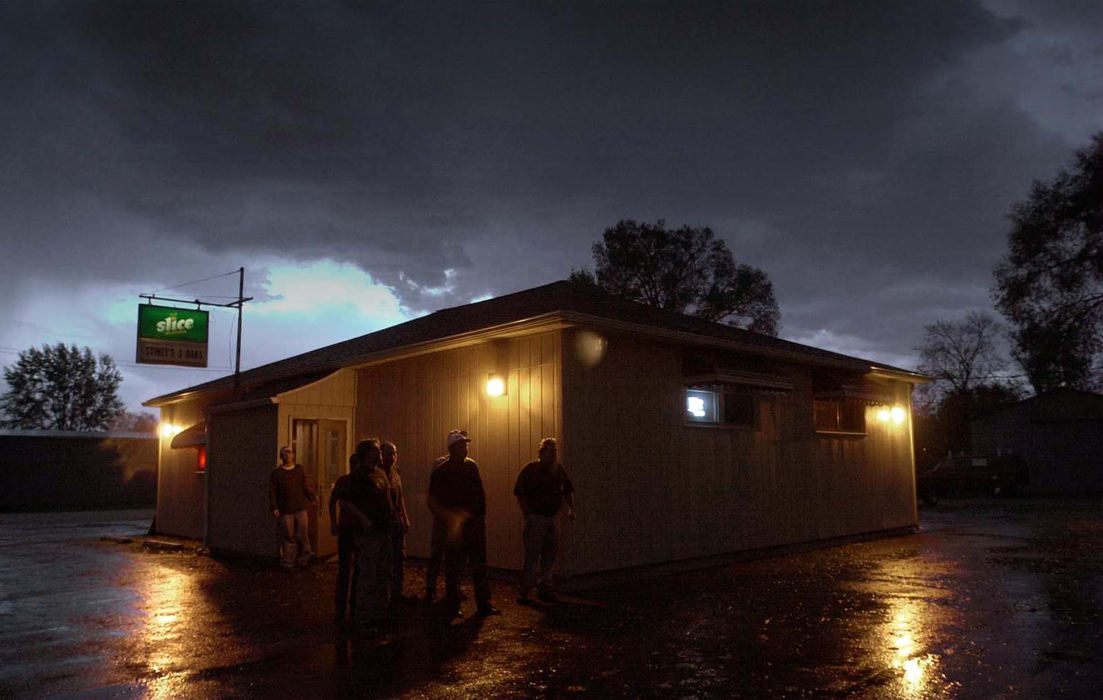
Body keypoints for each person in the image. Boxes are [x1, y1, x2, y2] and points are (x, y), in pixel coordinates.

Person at [427, 429, 500, 617]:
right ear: (452, 448)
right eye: (461, 446)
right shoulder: (441, 472)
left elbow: (479, 493)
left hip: (474, 525)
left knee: (479, 566)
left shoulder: (471, 466)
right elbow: (432, 500)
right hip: (455, 527)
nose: (465, 448)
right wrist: (448, 519)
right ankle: (453, 606)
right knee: (454, 567)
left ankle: (484, 604)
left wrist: (480, 518)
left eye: (465, 445)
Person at [339, 439, 396, 627]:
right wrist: (363, 519)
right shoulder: (357, 476)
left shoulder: (380, 473)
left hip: (384, 529)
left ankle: (379, 611)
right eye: (375, 451)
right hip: (368, 533)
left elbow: (387, 498)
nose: (379, 454)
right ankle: (363, 614)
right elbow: (345, 502)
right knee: (368, 574)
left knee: (382, 573)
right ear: (366, 454)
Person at [514, 437, 575, 605]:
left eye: (555, 452)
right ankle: (526, 589)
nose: (554, 455)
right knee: (532, 554)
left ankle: (545, 588)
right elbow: (519, 491)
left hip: (551, 517)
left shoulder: (558, 470)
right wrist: (527, 512)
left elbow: (567, 489)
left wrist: (571, 508)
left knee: (550, 555)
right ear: (541, 453)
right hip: (536, 517)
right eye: (550, 452)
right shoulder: (530, 469)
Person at [268, 446, 316, 572]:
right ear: (281, 456)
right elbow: (272, 491)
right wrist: (274, 507)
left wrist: (310, 496)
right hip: (286, 510)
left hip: (300, 508)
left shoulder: (299, 470)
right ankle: (288, 562)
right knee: (289, 537)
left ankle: (304, 559)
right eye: (286, 452)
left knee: (303, 535)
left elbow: (303, 486)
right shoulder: (277, 473)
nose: (289, 455)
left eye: (290, 452)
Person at [380, 441, 415, 604]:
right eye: (389, 453)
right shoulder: (377, 473)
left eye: (394, 453)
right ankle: (383, 593)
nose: (393, 457)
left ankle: (397, 591)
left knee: (399, 556)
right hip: (383, 522)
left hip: (396, 520)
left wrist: (405, 517)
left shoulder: (396, 472)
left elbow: (400, 497)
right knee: (385, 558)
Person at [329, 453, 362, 621]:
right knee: (345, 569)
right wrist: (333, 523)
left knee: (356, 569)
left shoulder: (362, 482)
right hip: (348, 530)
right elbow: (332, 500)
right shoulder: (345, 482)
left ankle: (352, 603)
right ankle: (342, 606)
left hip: (357, 530)